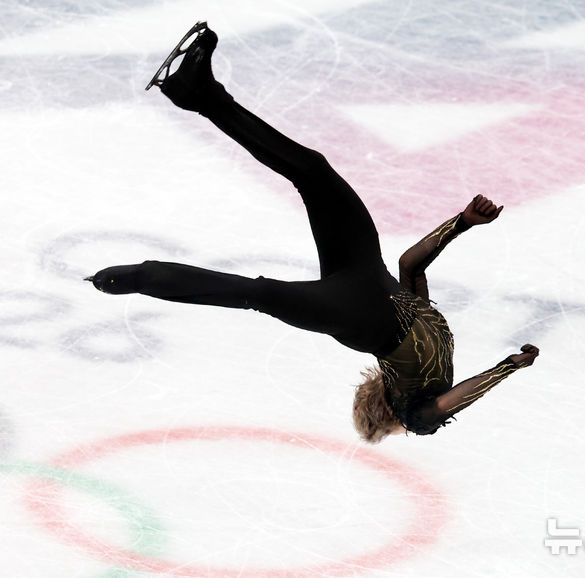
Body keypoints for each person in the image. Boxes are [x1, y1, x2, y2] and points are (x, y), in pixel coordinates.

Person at [86, 22, 539, 443]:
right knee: (314, 173)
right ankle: (199, 92)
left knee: (259, 293)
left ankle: (139, 277)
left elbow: (445, 405)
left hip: (355, 316)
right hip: (363, 270)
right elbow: (411, 266)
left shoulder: (414, 414)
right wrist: (462, 222)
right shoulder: (433, 367)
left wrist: (508, 368)